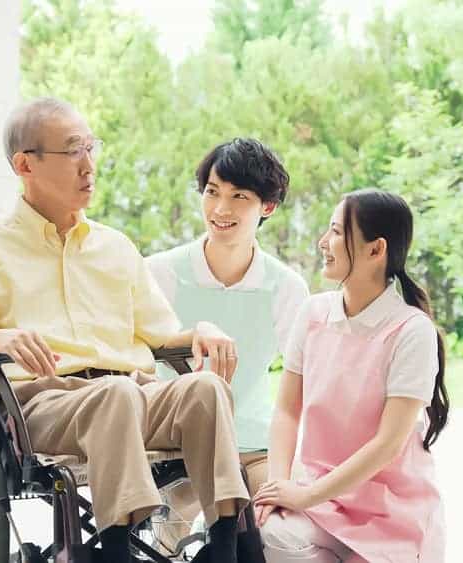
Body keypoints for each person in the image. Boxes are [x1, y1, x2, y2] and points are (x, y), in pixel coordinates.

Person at [0, 97, 259, 563]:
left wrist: (201, 328)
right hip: (45, 406)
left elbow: (163, 337)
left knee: (205, 389)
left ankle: (227, 545)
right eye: (72, 151)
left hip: (133, 395)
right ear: (26, 164)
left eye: (90, 147)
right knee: (114, 397)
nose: (89, 164)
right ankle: (115, 550)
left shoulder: (115, 247)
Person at [255, 189, 449, 562]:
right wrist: (279, 490)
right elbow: (286, 412)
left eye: (336, 232)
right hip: (319, 505)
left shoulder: (411, 330)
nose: (323, 243)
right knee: (272, 537)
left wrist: (305, 495)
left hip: (392, 514)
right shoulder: (312, 314)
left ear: (376, 250)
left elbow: (388, 444)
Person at [146, 138, 309, 550]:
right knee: (167, 540)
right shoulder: (161, 273)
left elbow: (306, 377)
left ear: (267, 207)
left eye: (239, 196)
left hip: (254, 444)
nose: (221, 209)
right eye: (212, 192)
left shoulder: (286, 287)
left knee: (279, 534)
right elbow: (138, 360)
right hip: (176, 447)